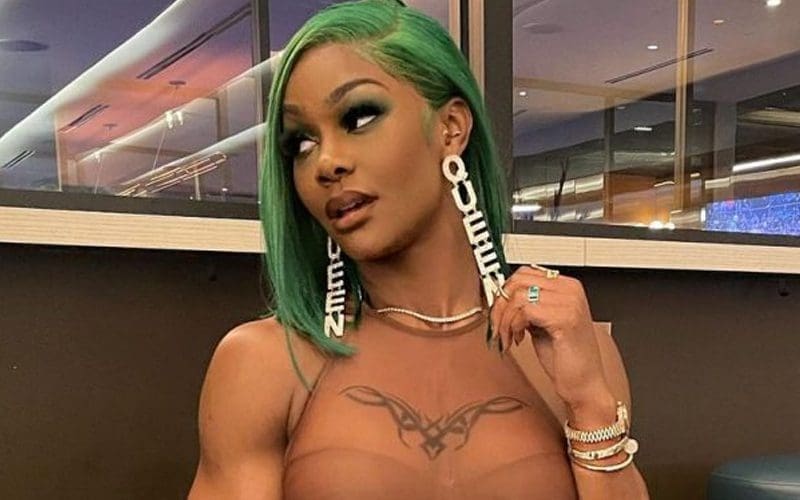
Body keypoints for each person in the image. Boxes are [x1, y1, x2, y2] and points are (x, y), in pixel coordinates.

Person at [188, 1, 649, 498]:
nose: (326, 162)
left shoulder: (573, 347)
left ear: (450, 128)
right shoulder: (265, 362)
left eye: (359, 117)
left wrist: (590, 403)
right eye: (301, 143)